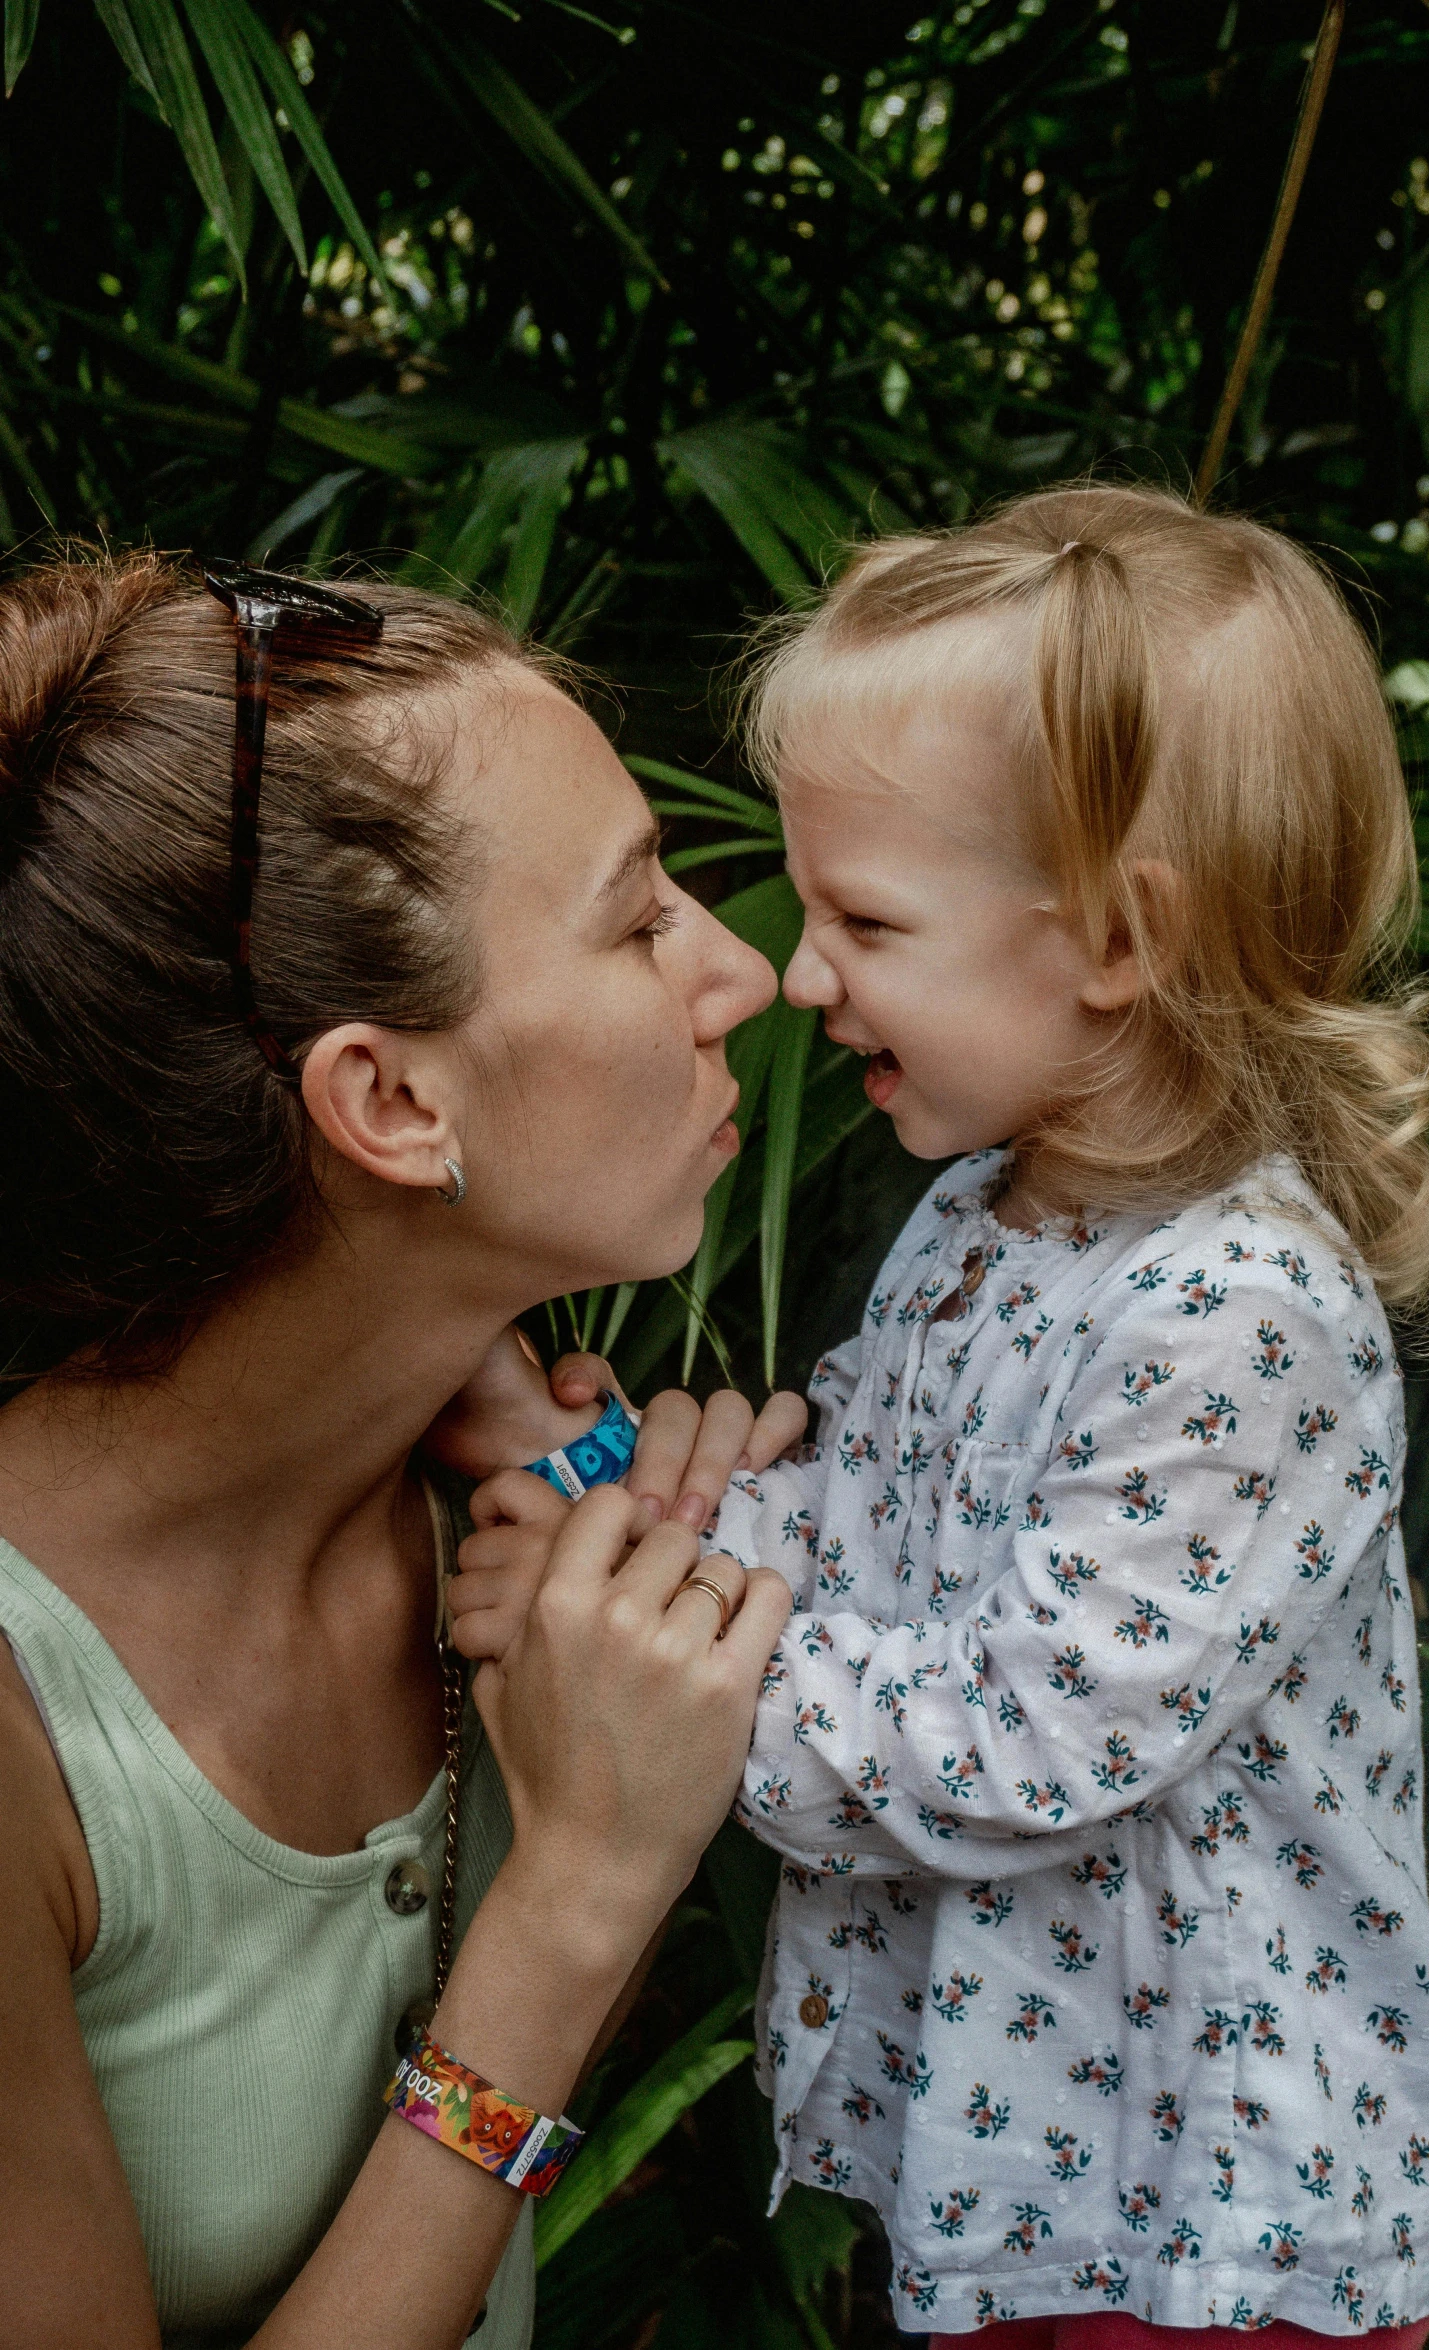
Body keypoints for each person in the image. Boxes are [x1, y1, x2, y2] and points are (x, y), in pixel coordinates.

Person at [448, 484, 1429, 2345]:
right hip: (1036, 2161)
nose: (798, 969)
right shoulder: (991, 1210)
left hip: (1200, 2230)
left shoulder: (1238, 1313)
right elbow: (870, 1534)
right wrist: (605, 1503)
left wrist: (626, 1660)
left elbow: (1008, 1742)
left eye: (862, 914)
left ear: (1116, 941)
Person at [0, 547, 803, 2350]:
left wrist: (660, 1529)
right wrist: (578, 1899)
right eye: (640, 916)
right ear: (389, 1100)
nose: (741, 972)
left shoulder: (489, 1488)